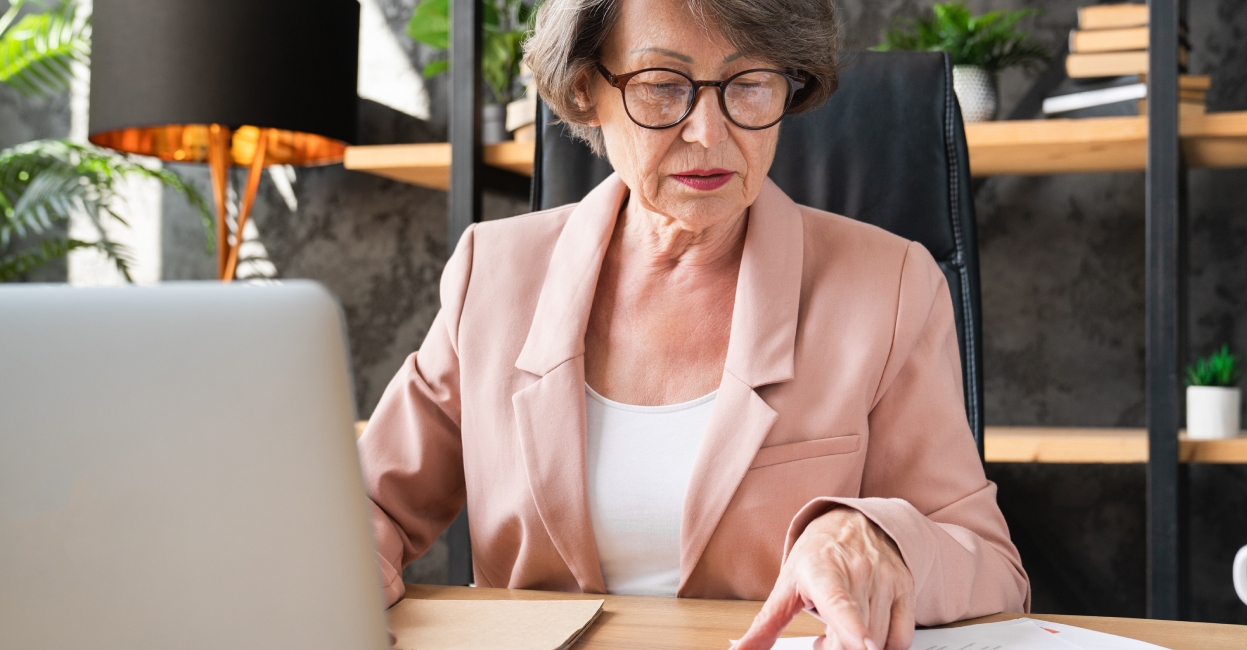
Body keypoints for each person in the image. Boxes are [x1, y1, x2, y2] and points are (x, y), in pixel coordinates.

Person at [358, 0, 1030, 647]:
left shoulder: (890, 287)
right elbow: (369, 507)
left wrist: (883, 542)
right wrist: (346, 576)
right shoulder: (493, 274)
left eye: (750, 84)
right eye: (661, 85)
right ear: (587, 87)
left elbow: (992, 566)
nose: (709, 133)